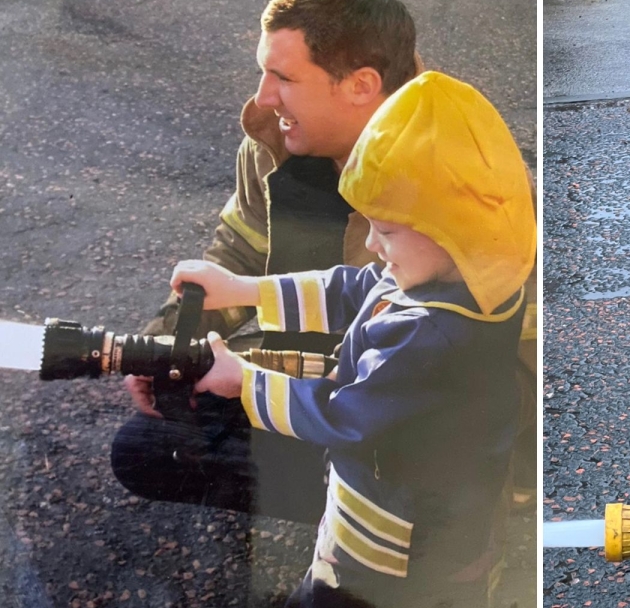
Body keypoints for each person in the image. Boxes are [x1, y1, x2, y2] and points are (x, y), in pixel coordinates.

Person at [110, 0, 537, 521]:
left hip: (410, 417)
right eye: (263, 72)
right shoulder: (276, 140)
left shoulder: (462, 178)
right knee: (148, 446)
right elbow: (242, 251)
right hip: (342, 375)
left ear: (360, 84)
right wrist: (168, 342)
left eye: (283, 77)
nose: (264, 98)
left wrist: (253, 381)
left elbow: (496, 367)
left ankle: (385, 517)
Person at [169, 71, 535, 607]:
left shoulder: (432, 336)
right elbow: (355, 285)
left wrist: (242, 382)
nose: (370, 243)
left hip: (390, 557)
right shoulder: (469, 277)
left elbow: (340, 412)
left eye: (385, 231)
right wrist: (243, 288)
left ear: (453, 227)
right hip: (417, 526)